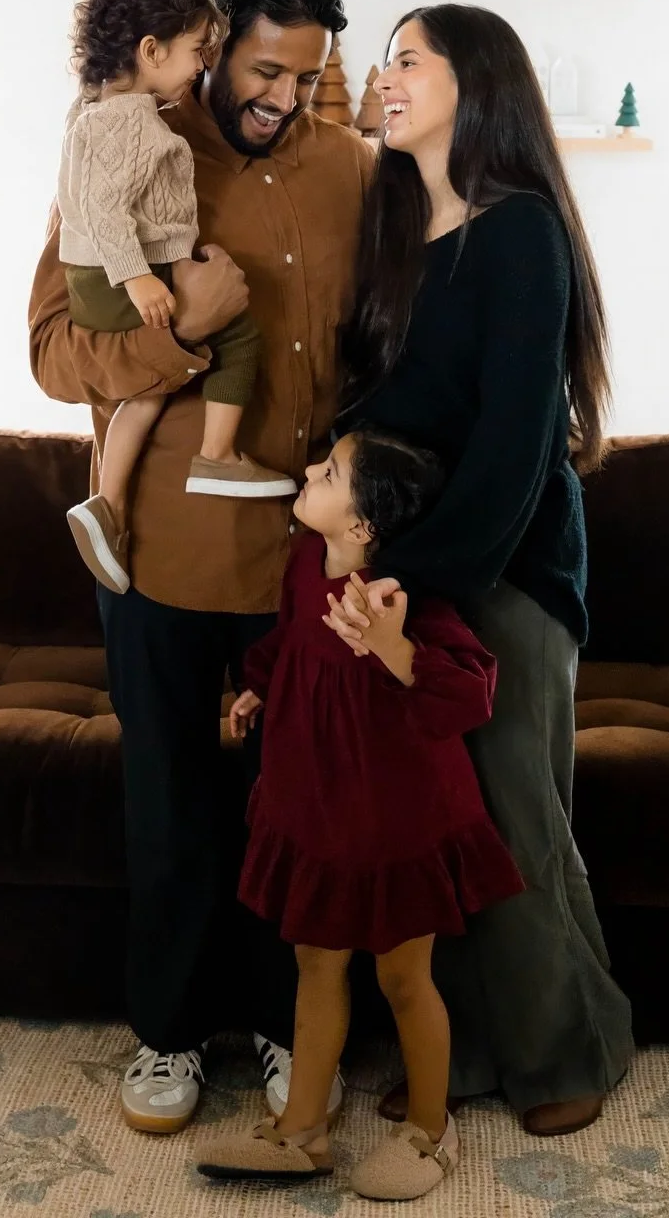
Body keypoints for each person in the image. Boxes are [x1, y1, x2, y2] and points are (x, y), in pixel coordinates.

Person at [28, 0, 376, 1133]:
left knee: (303, 804)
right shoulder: (127, 147)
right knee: (172, 802)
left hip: (300, 553)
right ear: (213, 46)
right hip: (161, 551)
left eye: (306, 75)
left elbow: (379, 349)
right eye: (264, 67)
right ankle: (170, 1039)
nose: (281, 95)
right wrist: (189, 340)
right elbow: (52, 353)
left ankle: (292, 1027)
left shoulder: (352, 175)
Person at [327, 3, 634, 1138]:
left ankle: (566, 1048)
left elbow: (513, 444)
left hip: (502, 570)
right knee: (428, 828)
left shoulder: (522, 233)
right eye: (384, 61)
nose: (385, 78)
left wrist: (421, 577)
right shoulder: (397, 232)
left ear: (477, 82)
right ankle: (450, 1058)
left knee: (512, 816)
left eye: (410, 59)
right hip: (403, 573)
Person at [194, 430, 524, 1201]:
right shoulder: (307, 563)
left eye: (331, 471)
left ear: (365, 526)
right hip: (315, 805)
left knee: (406, 979)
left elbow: (469, 694)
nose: (311, 471)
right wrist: (258, 689)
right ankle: (302, 1131)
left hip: (395, 820)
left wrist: (390, 645)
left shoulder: (403, 598)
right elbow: (292, 643)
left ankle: (431, 1134)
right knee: (315, 963)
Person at [57, 0, 296, 595]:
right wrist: (139, 277)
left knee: (144, 396)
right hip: (119, 277)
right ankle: (215, 456)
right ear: (150, 48)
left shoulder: (92, 110)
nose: (200, 66)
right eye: (196, 51)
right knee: (230, 340)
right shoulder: (132, 121)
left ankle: (109, 506)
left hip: (105, 275)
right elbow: (106, 210)